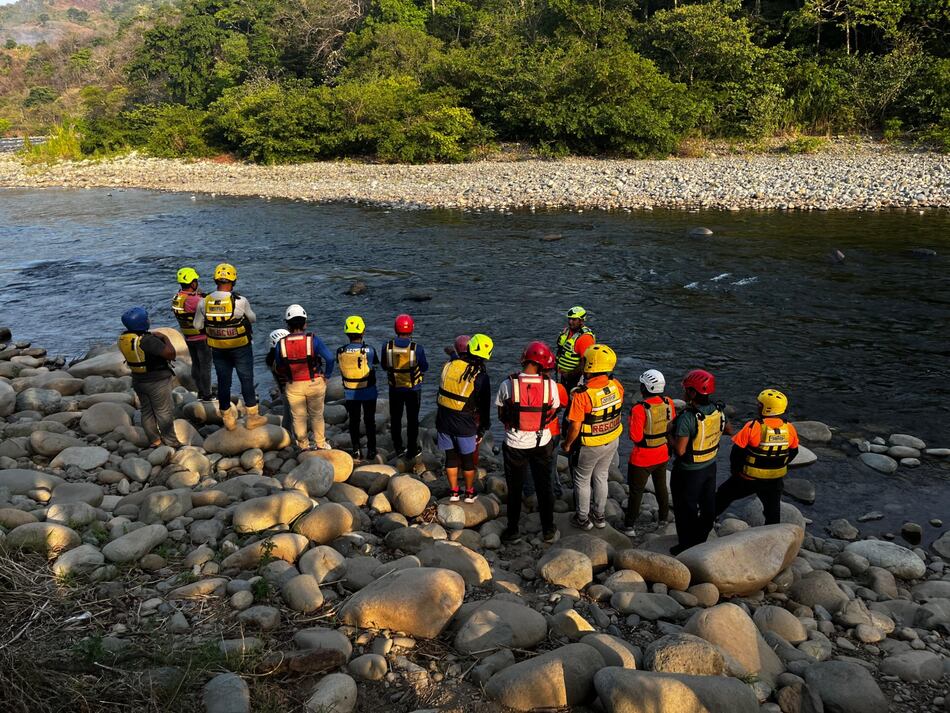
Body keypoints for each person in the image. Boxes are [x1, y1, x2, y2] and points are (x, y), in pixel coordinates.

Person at [496, 341, 560, 544]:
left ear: (524, 359)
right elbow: (553, 410)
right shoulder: (550, 385)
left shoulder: (508, 384)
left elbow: (500, 413)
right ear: (542, 364)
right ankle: (548, 529)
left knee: (515, 488)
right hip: (542, 443)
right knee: (544, 487)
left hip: (515, 444)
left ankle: (513, 530)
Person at [193, 263, 264, 430]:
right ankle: (252, 417)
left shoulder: (204, 302)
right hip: (241, 347)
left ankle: (228, 420)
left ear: (216, 280)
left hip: (217, 348)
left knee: (224, 382)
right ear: (233, 281)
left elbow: (197, 325)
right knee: (246, 380)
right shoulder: (240, 301)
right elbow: (252, 319)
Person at [562, 344, 624, 530]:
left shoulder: (583, 395)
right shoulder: (616, 386)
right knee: (601, 476)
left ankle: (582, 518)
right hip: (612, 440)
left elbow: (575, 425)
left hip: (589, 444)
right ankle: (599, 516)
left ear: (589, 365)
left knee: (582, 479)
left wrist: (567, 445)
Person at [715, 389, 799, 525]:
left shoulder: (752, 426)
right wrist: (778, 464)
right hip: (774, 479)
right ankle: (773, 536)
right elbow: (794, 452)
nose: (757, 406)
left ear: (768, 409)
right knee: (772, 511)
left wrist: (736, 472)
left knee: (723, 495)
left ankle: (707, 519)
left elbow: (736, 453)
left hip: (748, 478)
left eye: (760, 404)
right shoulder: (789, 428)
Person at [669, 369, 730, 555]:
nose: (683, 392)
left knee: (684, 508)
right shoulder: (717, 410)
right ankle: (701, 537)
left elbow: (680, 450)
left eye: (686, 389)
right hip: (710, 466)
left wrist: (667, 435)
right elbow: (728, 430)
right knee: (707, 504)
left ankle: (685, 546)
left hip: (688, 471)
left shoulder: (688, 417)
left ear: (693, 393)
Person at [436, 333, 493, 503]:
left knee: (451, 458)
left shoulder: (449, 365)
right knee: (468, 461)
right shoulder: (481, 376)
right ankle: (469, 492)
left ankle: (454, 492)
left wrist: (452, 353)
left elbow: (456, 361)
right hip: (465, 423)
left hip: (443, 419)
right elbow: (485, 406)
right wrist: (483, 427)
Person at [117, 307, 183, 448]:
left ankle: (155, 441)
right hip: (157, 381)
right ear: (142, 322)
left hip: (138, 380)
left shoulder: (124, 338)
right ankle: (172, 441)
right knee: (164, 412)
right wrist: (165, 338)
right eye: (147, 318)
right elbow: (171, 354)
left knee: (146, 411)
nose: (149, 320)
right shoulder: (148, 341)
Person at [274, 304, 336, 451]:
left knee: (298, 417)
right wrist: (326, 375)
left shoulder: (281, 344)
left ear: (288, 325)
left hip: (294, 384)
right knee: (316, 415)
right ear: (305, 323)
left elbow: (279, 366)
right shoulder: (313, 340)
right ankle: (320, 443)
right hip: (314, 382)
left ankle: (303, 446)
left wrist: (287, 374)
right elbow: (330, 359)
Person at [624, 369, 676, 537]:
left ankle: (629, 526)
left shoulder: (639, 409)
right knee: (661, 487)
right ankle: (663, 519)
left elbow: (635, 436)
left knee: (635, 492)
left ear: (645, 388)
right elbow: (671, 425)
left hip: (642, 458)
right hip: (662, 454)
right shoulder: (669, 402)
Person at [381, 314, 428, 460]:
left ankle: (398, 447)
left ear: (396, 328)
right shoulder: (416, 348)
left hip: (395, 389)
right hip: (413, 390)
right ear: (412, 329)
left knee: (396, 418)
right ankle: (412, 448)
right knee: (413, 419)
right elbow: (425, 367)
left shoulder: (387, 346)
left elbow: (384, 366)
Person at [337, 315, 379, 460]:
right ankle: (372, 450)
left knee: (354, 420)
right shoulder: (370, 350)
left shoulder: (340, 351)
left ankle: (356, 449)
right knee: (369, 420)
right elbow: (376, 364)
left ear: (346, 333)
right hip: (368, 392)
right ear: (363, 332)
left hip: (350, 392)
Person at [170, 266, 213, 401]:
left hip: (188, 336)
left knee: (196, 364)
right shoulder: (195, 301)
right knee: (205, 366)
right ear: (193, 283)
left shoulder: (177, 297)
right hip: (202, 337)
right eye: (196, 281)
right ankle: (206, 394)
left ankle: (200, 390)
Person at [555, 306, 596, 392]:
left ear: (581, 321)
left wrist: (569, 375)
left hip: (575, 379)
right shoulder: (567, 331)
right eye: (569, 319)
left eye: (574, 319)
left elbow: (584, 363)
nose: (570, 322)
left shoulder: (585, 338)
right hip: (562, 375)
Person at [265, 328, 292, 433]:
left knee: (288, 413)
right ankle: (290, 436)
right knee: (290, 415)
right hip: (289, 389)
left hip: (283, 390)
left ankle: (288, 434)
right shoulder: (278, 360)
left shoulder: (271, 359)